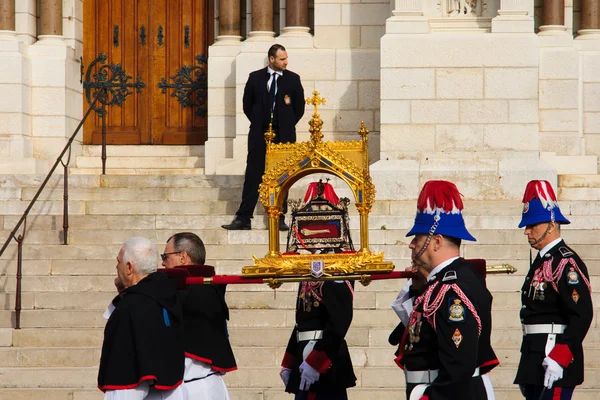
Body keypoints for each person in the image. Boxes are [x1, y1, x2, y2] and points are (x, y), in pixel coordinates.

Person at [389, 180, 498, 400]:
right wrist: (418, 289)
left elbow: (459, 365)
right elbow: (414, 333)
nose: (412, 245)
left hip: (447, 393)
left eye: (417, 238)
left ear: (436, 241)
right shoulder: (441, 283)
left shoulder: (452, 290)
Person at [514, 180, 593, 400]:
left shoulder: (565, 262)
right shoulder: (543, 260)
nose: (527, 232)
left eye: (533, 226)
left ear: (550, 224)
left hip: (554, 356)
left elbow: (582, 314)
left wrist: (561, 356)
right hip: (535, 359)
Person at [222, 43, 305, 232]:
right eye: (282, 59)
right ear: (272, 59)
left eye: (286, 58)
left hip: (284, 134)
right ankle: (244, 217)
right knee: (253, 173)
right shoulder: (255, 78)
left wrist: (285, 123)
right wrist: (261, 121)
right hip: (260, 133)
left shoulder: (293, 79)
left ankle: (279, 216)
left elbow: (299, 108)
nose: (286, 62)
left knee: (282, 175)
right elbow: (247, 105)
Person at [98, 237, 187, 400]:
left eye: (118, 262)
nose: (116, 267)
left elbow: (124, 386)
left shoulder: (129, 309)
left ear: (129, 267)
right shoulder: (169, 296)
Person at [160, 232, 237, 399]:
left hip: (197, 387)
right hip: (199, 384)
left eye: (166, 256)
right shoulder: (205, 286)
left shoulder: (192, 289)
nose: (163, 262)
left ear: (183, 257)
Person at [280, 279, 356, 399]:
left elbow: (339, 322)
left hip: (323, 356)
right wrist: (289, 362)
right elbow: (302, 323)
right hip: (304, 356)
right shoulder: (309, 277)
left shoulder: (335, 276)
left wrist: (316, 362)